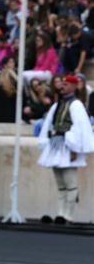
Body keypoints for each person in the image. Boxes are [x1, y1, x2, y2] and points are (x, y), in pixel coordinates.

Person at [36, 75, 94, 224]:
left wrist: (75, 148)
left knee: (70, 182)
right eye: (62, 84)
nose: (62, 87)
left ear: (74, 87)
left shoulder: (76, 105)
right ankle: (61, 213)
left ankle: (69, 215)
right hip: (56, 144)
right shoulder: (57, 104)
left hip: (68, 146)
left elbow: (80, 128)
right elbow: (50, 123)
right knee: (61, 183)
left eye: (66, 84)